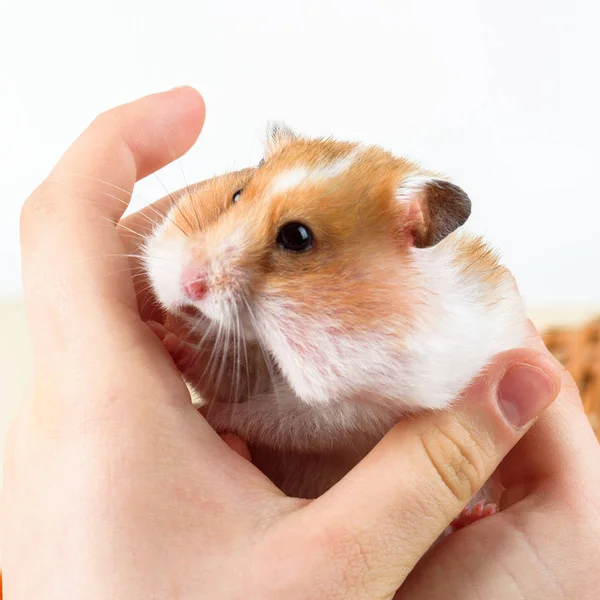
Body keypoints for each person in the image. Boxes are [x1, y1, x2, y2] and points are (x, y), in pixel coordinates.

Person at [1, 87, 598, 600]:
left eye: (296, 237)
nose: (200, 278)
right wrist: (203, 364)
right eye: (238, 198)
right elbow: (253, 382)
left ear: (413, 232)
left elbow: (327, 415)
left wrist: (230, 409)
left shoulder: (418, 341)